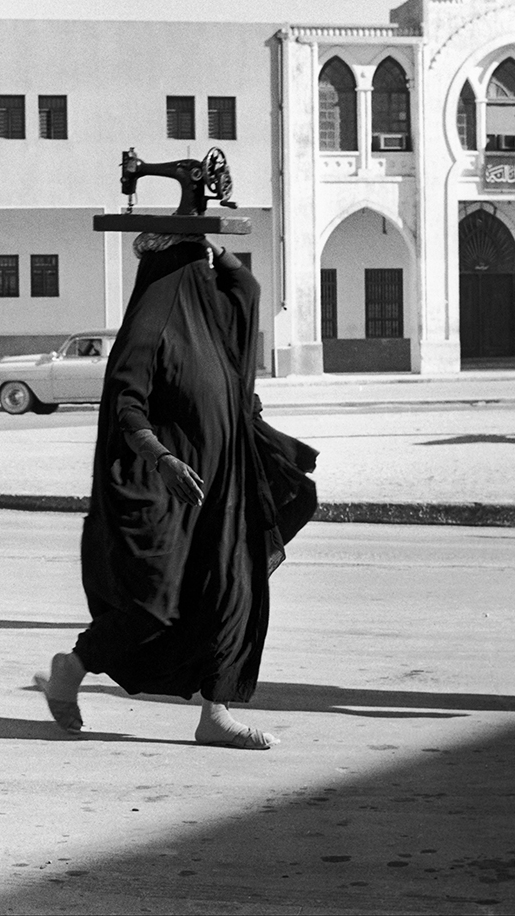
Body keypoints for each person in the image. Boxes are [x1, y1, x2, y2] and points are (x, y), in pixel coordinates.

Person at [35, 234, 317, 750]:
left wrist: (207, 239)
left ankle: (215, 710)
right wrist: (161, 459)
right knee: (155, 605)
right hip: (167, 493)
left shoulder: (216, 323)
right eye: (199, 265)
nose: (210, 274)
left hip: (224, 484)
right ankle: (71, 668)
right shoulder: (151, 325)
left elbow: (247, 287)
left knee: (234, 591)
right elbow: (126, 405)